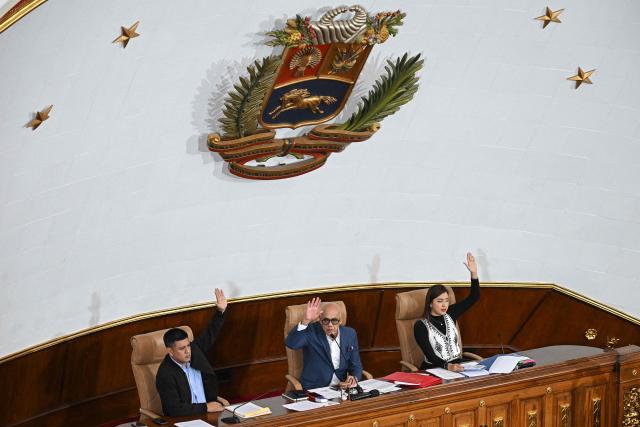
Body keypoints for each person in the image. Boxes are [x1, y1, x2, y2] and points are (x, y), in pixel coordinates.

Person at [156, 288, 228, 416]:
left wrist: (220, 311)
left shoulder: (195, 351)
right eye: (181, 348)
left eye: (188, 346)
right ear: (170, 351)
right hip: (185, 420)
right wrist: (205, 407)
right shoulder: (165, 373)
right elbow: (173, 409)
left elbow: (210, 333)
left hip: (209, 415)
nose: (188, 351)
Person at [414, 252, 479, 372]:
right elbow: (430, 356)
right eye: (439, 301)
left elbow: (474, 297)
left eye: (446, 301)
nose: (444, 305)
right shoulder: (420, 326)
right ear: (430, 303)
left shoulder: (451, 313)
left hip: (457, 366)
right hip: (435, 369)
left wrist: (474, 273)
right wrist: (448, 366)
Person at [285, 298, 363, 390]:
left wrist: (354, 378)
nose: (330, 325)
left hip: (341, 387)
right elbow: (292, 344)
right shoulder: (312, 331)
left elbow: (356, 365)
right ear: (320, 320)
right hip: (315, 388)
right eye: (326, 321)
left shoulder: (350, 334)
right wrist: (305, 320)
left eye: (334, 320)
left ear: (340, 321)